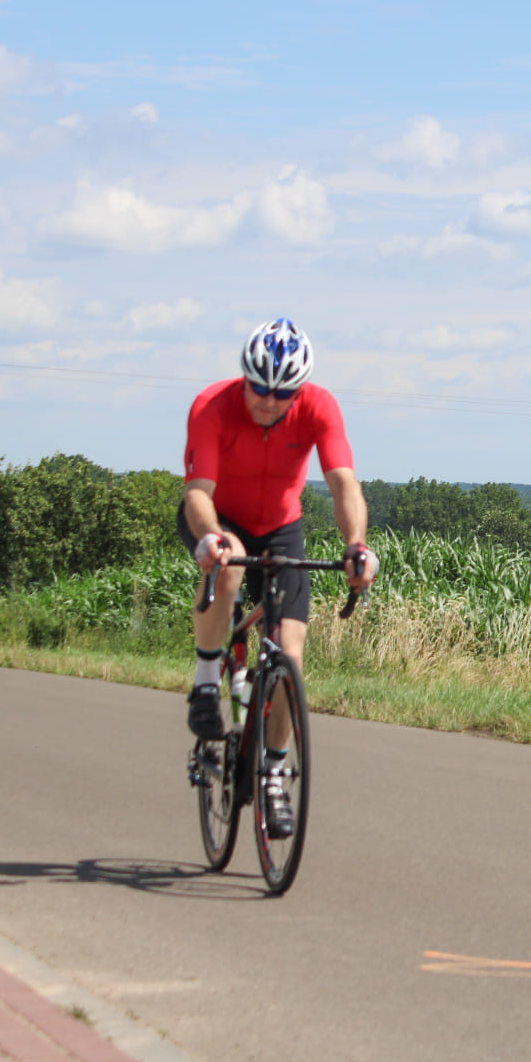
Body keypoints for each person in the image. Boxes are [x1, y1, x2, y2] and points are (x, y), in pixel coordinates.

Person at [179, 318, 378, 789]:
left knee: (291, 652)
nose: (268, 400)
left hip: (281, 526)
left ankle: (272, 772)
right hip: (217, 517)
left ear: (299, 390)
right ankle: (208, 681)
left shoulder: (319, 407)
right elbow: (198, 492)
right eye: (259, 387)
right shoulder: (212, 405)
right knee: (229, 564)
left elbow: (343, 483)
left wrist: (357, 546)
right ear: (244, 377)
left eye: (283, 393)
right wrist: (212, 536)